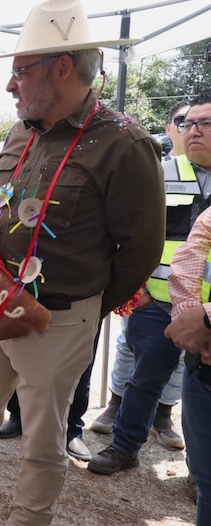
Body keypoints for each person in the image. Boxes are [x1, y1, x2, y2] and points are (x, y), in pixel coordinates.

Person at [0, 0, 164, 524]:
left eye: (20, 72)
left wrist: (84, 308)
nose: (10, 85)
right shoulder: (20, 131)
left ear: (61, 69)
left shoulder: (125, 144)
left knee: (41, 440)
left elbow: (141, 251)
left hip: (59, 318)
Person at [87, 93, 211, 476]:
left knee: (201, 395)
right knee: (143, 380)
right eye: (188, 123)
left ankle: (200, 471)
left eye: (206, 123)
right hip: (156, 303)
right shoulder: (160, 172)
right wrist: (135, 291)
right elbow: (129, 234)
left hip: (209, 316)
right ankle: (125, 447)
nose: (194, 131)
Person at [165, 136, 211, 523]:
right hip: (203, 362)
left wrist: (206, 321)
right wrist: (193, 325)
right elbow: (189, 260)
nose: (195, 131)